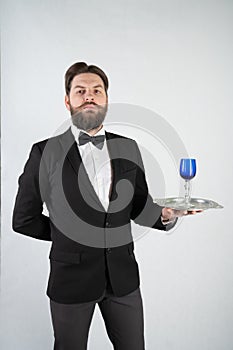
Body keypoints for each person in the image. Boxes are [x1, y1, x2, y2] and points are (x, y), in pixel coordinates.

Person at [12, 62, 201, 350]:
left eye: (97, 90)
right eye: (81, 90)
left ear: (106, 100)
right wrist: (68, 235)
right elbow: (23, 219)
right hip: (71, 280)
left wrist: (164, 215)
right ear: (68, 101)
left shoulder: (128, 147)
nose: (90, 96)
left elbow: (138, 206)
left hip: (123, 280)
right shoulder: (44, 152)